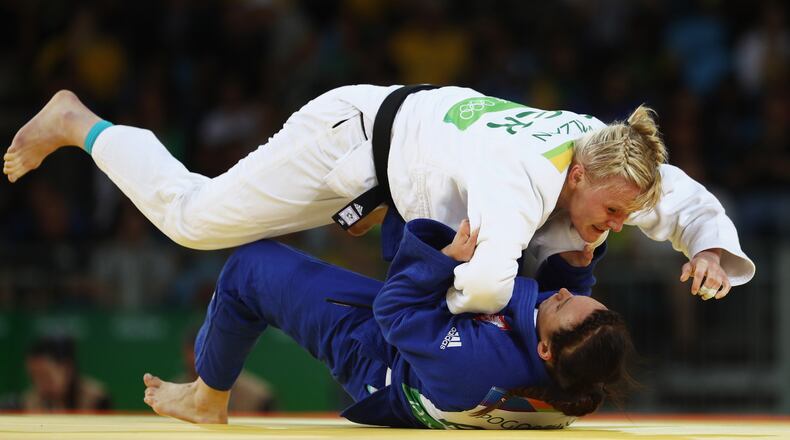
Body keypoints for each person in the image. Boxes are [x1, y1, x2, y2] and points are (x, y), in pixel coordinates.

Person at [3, 86, 754, 315]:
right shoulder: (519, 178)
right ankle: (79, 122)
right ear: (577, 177)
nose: (620, 226)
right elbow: (490, 282)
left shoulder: (610, 153)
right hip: (352, 139)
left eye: (628, 215)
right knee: (195, 222)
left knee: (551, 260)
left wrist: (711, 245)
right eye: (614, 212)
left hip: (406, 162)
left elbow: (684, 202)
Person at [142, 219, 633, 429]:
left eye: (565, 303)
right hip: (431, 347)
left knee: (250, 268)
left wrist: (443, 260)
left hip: (379, 353)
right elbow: (564, 309)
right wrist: (576, 264)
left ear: (545, 352)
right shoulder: (576, 375)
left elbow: (396, 313)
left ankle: (207, 397)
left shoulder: (477, 367)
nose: (566, 294)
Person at [23, 336, 112, 411]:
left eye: (45, 376)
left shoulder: (97, 400)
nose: (39, 384)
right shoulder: (29, 402)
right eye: (33, 376)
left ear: (67, 369)